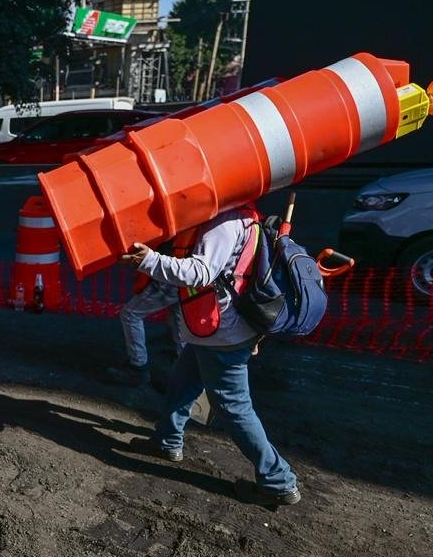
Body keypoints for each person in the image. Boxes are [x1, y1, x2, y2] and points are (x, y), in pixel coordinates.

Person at [122, 208, 300, 506]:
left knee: (233, 407)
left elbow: (201, 273)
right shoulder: (244, 215)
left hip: (222, 332)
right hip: (216, 328)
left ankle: (279, 481)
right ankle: (167, 441)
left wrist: (150, 260)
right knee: (182, 380)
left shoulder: (222, 222)